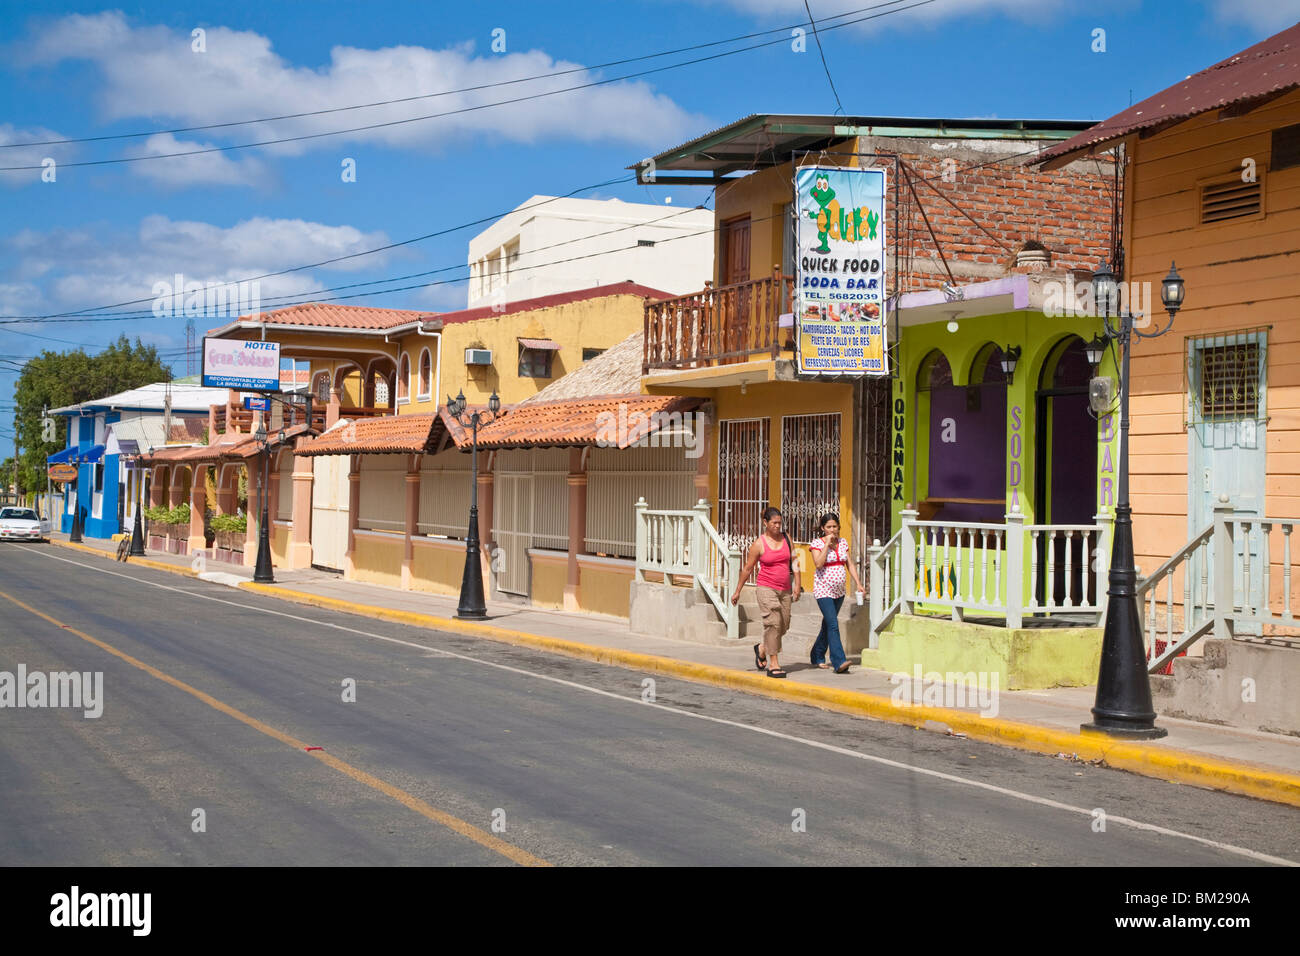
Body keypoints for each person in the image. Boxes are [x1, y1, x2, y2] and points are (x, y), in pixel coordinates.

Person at [731, 507, 801, 678]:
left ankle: (762, 648)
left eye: (779, 522)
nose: (778, 526)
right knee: (773, 624)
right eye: (774, 523)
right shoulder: (759, 544)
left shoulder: (786, 538)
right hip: (765, 587)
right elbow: (747, 569)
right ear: (765, 523)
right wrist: (737, 591)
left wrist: (797, 583)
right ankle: (774, 663)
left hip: (784, 589)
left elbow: (795, 561)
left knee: (784, 625)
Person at [808, 513, 864, 674]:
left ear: (839, 527)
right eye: (829, 527)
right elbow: (818, 564)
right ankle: (838, 661)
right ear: (823, 528)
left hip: (839, 591)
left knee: (828, 624)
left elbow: (850, 565)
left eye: (835, 526)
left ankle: (817, 655)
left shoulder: (843, 542)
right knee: (833, 624)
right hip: (823, 589)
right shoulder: (817, 543)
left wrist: (859, 584)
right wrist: (827, 544)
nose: (832, 530)